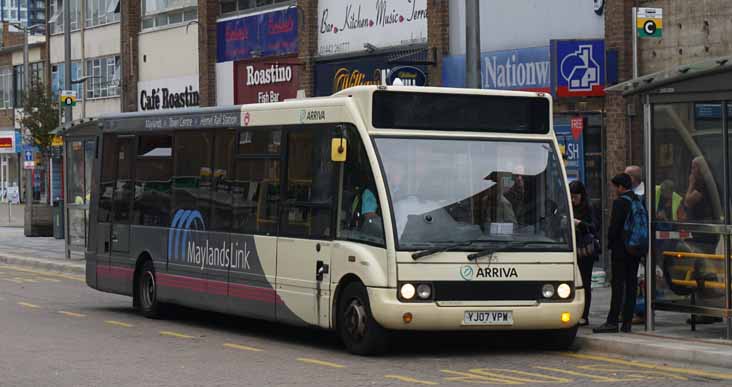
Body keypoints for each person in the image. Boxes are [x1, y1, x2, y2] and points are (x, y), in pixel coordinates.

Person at [594, 173, 642, 334]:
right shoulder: (638, 200)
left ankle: (612, 321)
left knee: (618, 286)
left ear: (621, 187)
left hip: (621, 251)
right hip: (635, 249)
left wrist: (609, 243)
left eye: (615, 187)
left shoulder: (620, 202)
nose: (614, 190)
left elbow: (614, 228)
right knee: (631, 285)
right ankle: (627, 323)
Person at [570, 181, 598, 326]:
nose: (573, 200)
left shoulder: (589, 207)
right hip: (573, 249)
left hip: (585, 252)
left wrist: (579, 223)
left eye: (576, 197)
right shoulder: (568, 206)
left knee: (585, 282)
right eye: (571, 197)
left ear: (582, 195)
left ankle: (584, 315)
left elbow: (594, 228)